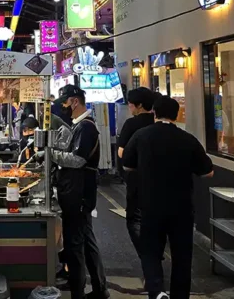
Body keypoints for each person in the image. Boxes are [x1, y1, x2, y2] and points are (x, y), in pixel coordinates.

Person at [122, 96, 214, 299]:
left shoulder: (141, 135)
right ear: (177, 114)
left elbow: (127, 165)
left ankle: (156, 291)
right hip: (181, 207)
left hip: (150, 205)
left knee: (150, 251)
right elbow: (207, 172)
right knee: (182, 255)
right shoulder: (187, 139)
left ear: (154, 113)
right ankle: (180, 295)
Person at [45, 85, 107, 299]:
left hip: (78, 193)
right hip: (75, 191)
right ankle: (100, 289)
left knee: (75, 244)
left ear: (74, 101)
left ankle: (77, 292)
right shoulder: (76, 126)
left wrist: (50, 154)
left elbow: (77, 160)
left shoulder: (87, 128)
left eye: (63, 102)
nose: (61, 107)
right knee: (86, 240)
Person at [115, 87, 158, 259]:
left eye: (131, 105)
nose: (130, 108)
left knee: (135, 219)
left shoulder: (132, 124)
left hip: (136, 179)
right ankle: (156, 248)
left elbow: (121, 153)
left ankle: (147, 254)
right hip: (160, 181)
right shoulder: (157, 122)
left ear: (139, 106)